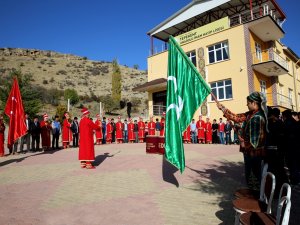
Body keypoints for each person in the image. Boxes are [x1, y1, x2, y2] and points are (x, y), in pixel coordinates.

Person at [217, 91, 268, 190]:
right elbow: (236, 117)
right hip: (249, 151)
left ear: (254, 103)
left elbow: (255, 140)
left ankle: (257, 195)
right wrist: (222, 108)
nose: (247, 105)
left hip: (254, 152)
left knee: (255, 173)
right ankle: (253, 191)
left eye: (248, 103)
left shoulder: (257, 117)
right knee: (249, 172)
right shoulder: (250, 114)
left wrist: (243, 142)